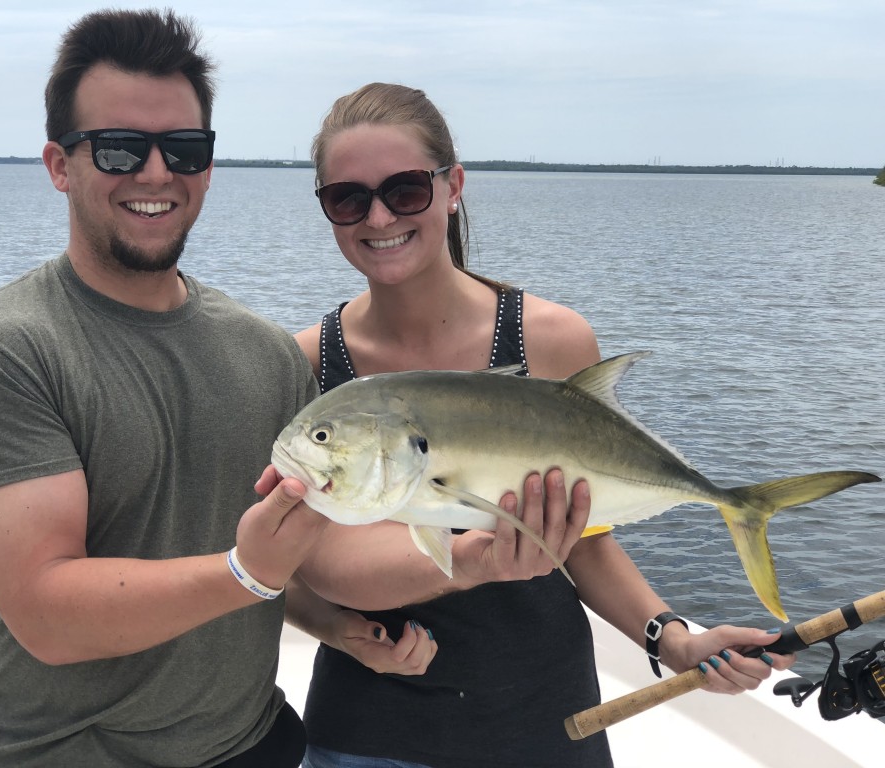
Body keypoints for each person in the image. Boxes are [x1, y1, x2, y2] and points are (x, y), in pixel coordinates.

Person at [287, 82, 797, 768]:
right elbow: (286, 559)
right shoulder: (306, 363)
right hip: (369, 731)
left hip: (547, 722)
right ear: (326, 209)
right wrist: (333, 626)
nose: (378, 217)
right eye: (348, 197)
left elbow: (582, 535)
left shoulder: (548, 339)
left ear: (453, 185)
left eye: (405, 189)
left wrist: (668, 638)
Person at [0, 9, 328, 767]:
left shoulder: (268, 353)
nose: (157, 173)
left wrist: (470, 559)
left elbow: (299, 556)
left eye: (186, 148)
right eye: (120, 147)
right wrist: (247, 571)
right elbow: (48, 615)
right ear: (59, 165)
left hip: (254, 743)